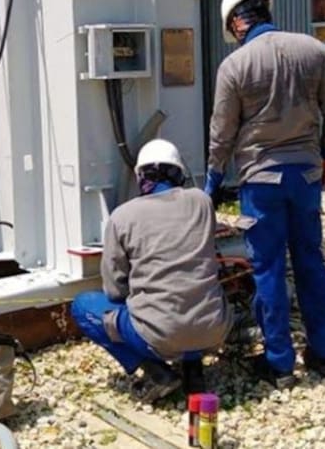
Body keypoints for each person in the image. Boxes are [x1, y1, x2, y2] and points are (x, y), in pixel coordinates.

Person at [203, 0, 325, 388]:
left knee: (268, 269)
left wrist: (212, 181)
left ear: (236, 22)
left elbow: (222, 132)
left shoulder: (235, 66)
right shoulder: (313, 50)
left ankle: (279, 362)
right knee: (310, 262)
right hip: (306, 175)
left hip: (261, 179)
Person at [70, 139, 233, 402]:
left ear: (141, 176)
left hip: (160, 337)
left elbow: (114, 290)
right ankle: (193, 370)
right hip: (214, 329)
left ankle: (158, 373)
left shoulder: (122, 216)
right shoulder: (202, 202)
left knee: (83, 305)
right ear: (179, 173)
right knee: (191, 297)